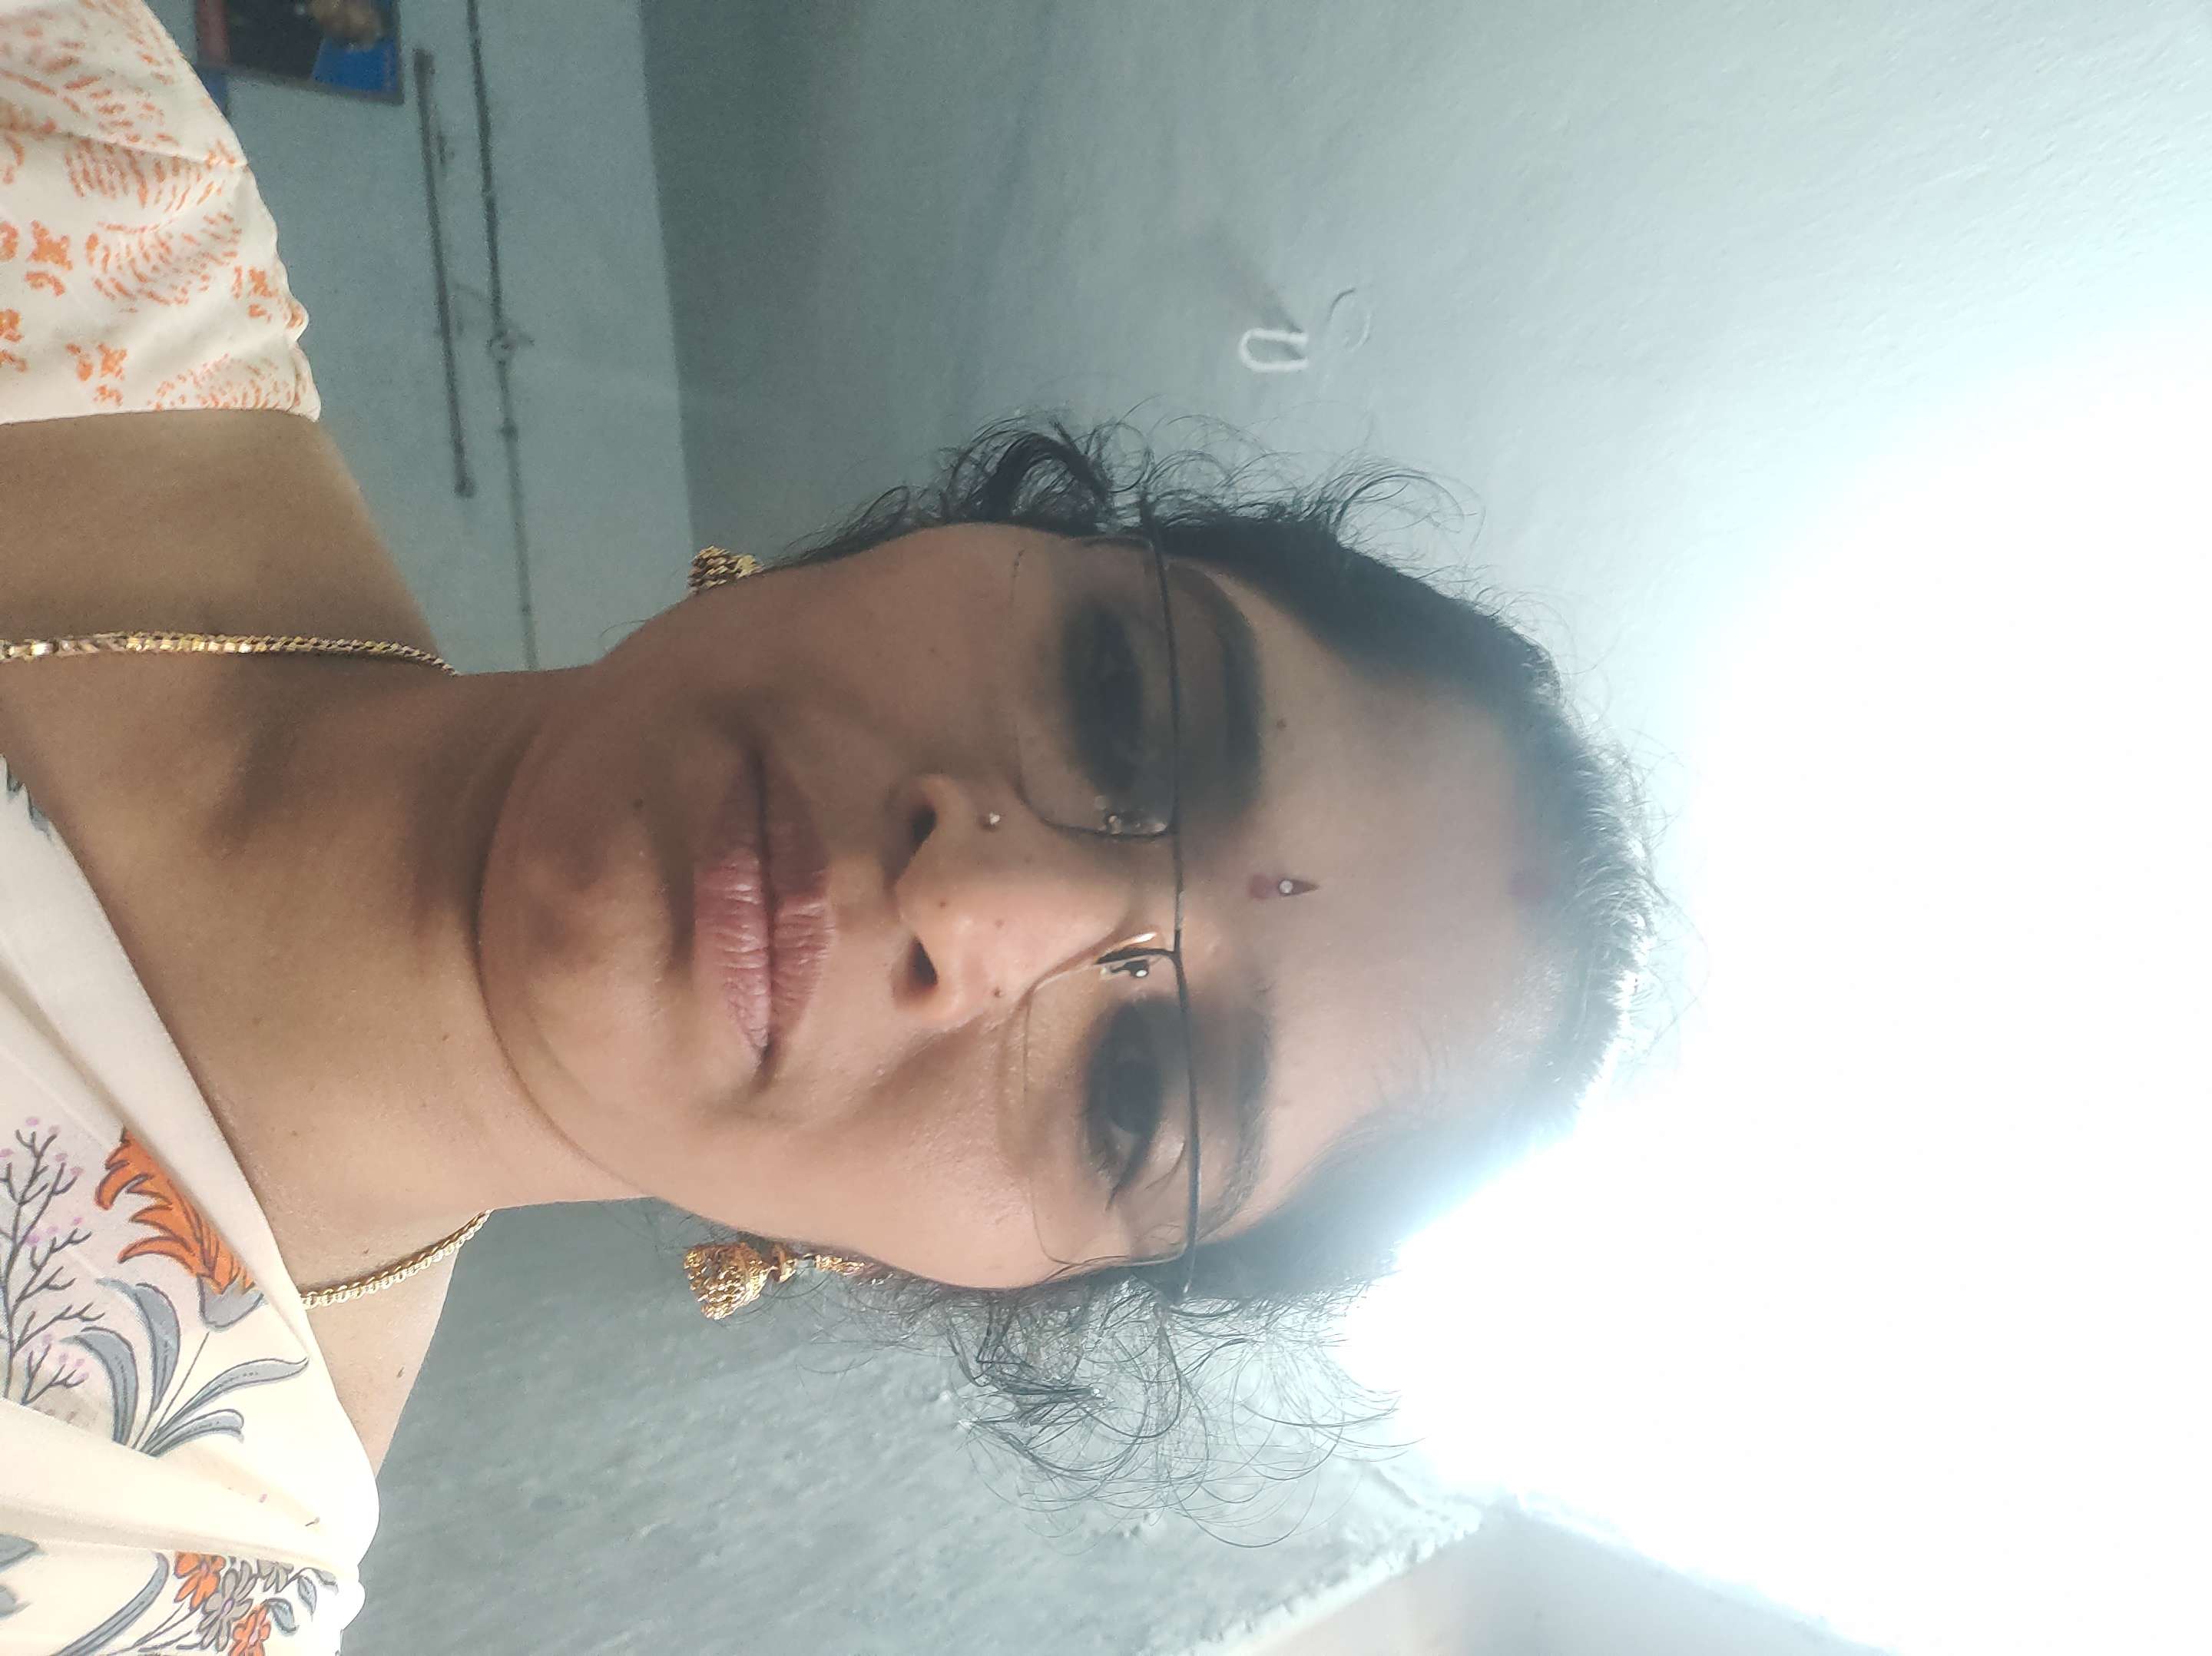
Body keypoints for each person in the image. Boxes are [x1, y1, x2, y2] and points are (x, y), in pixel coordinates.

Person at [0, 1, 1655, 1648]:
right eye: (1119, 695)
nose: (978, 902)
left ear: (963, 1277)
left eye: (1135, 1092)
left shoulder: (133, 1573)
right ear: (972, 533)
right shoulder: (80, 155)